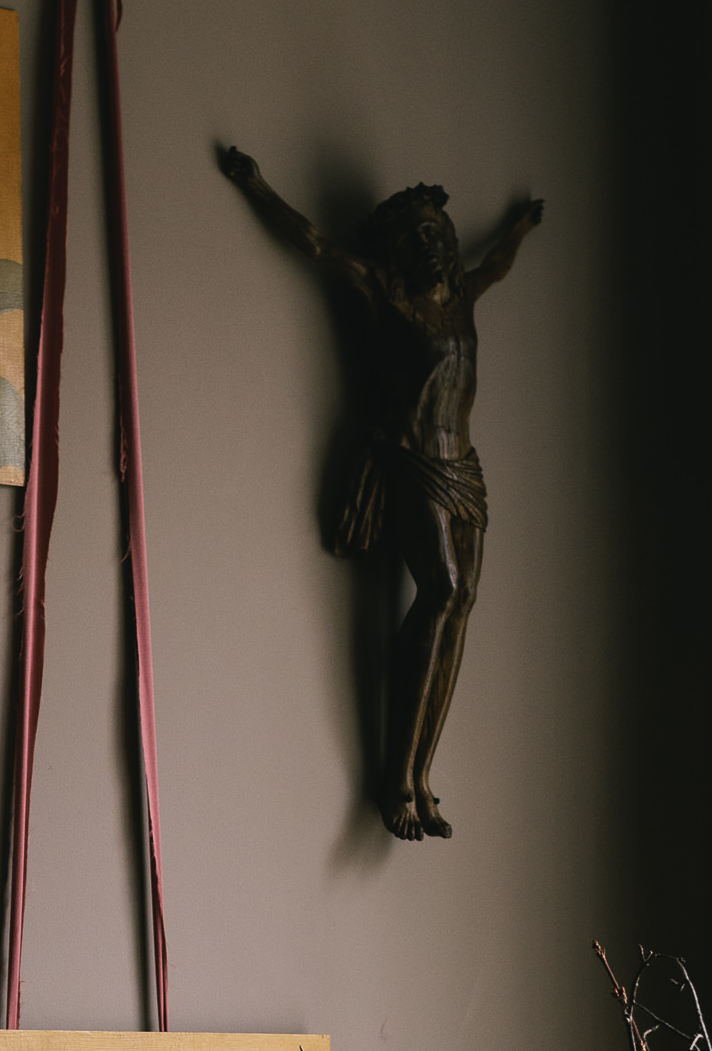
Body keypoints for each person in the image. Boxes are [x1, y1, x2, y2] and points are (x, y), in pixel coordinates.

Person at [220, 150, 542, 839]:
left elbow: (499, 263)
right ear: (397, 250)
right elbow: (314, 243)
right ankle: (396, 774)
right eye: (416, 236)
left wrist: (519, 227)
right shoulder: (385, 294)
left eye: (437, 232)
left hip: (466, 467)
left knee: (463, 606)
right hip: (412, 462)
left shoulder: (463, 296)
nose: (430, 244)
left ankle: (424, 777)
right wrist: (257, 184)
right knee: (441, 592)